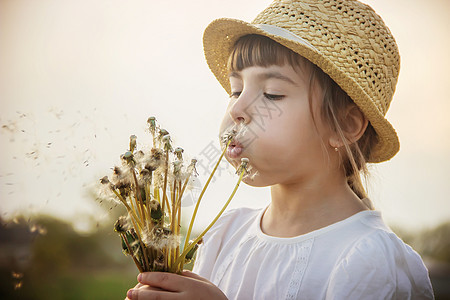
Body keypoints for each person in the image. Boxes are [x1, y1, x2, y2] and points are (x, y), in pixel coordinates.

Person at [126, 0, 434, 299]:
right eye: (236, 89)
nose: (238, 108)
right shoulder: (226, 234)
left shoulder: (369, 261)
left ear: (347, 125)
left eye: (272, 94)